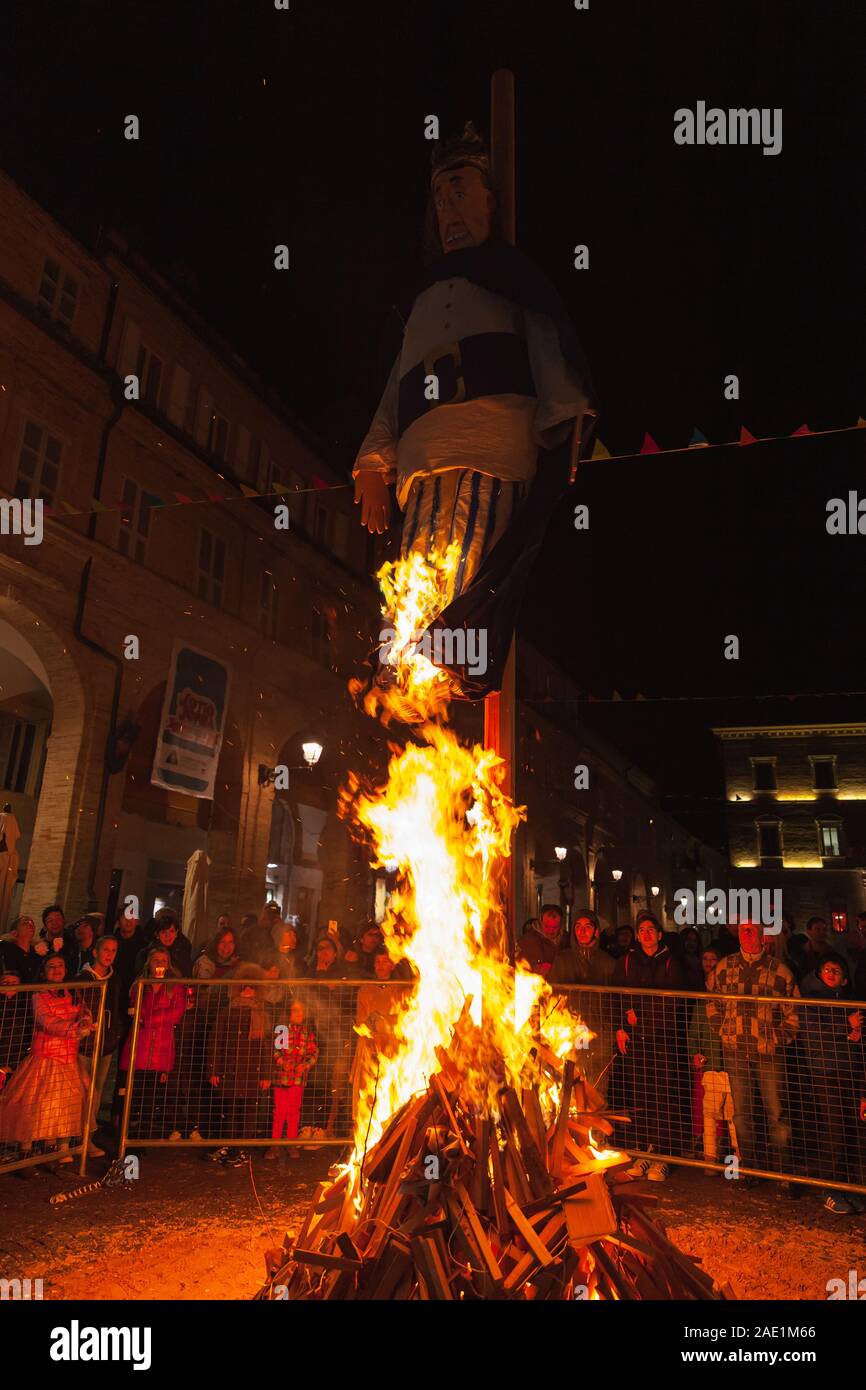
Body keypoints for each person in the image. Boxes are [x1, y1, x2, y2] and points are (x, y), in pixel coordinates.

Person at [352, 122, 597, 698]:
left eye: (461, 191)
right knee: (410, 615)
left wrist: (561, 432)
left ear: (491, 199)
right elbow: (396, 388)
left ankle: (440, 695)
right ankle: (404, 703)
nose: (449, 210)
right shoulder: (420, 299)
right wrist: (370, 462)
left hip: (489, 462)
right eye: (440, 198)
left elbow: (553, 354)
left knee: (458, 608)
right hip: (419, 475)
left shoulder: (515, 283)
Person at [705, 921, 800, 1192]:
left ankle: (785, 1174)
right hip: (735, 1050)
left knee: (777, 1112)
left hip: (769, 1054)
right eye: (743, 930)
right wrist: (722, 1030)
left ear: (761, 936)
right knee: (742, 1114)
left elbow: (794, 1011)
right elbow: (711, 1000)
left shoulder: (779, 971)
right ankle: (750, 1170)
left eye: (752, 930)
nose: (747, 934)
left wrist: (777, 1038)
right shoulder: (724, 967)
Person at [0, 954, 93, 1173]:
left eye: (60, 965)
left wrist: (86, 1021)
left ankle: (50, 1150)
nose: (57, 970)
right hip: (46, 1057)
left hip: (68, 1058)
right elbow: (45, 1019)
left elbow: (84, 1011)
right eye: (52, 966)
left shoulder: (72, 991)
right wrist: (73, 1030)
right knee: (35, 1106)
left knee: (60, 1106)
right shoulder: (40, 993)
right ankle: (25, 1151)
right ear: (44, 971)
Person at [613, 912, 686, 1182]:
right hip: (636, 1040)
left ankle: (663, 1155)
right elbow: (617, 994)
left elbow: (673, 1001)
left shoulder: (671, 963)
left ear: (659, 934)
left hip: (662, 1039)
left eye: (650, 929)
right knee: (641, 1096)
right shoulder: (628, 962)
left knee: (663, 1096)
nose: (645, 934)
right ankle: (645, 1150)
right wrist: (620, 1026)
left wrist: (640, 1015)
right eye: (641, 929)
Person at [799, 952, 865, 1213]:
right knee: (834, 1130)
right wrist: (845, 1026)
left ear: (844, 979)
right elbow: (814, 1032)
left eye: (836, 971)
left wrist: (853, 1034)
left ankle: (852, 1188)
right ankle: (829, 1187)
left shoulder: (849, 1002)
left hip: (848, 1070)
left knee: (852, 1131)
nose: (831, 974)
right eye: (827, 969)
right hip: (825, 1072)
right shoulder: (812, 1000)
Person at [115, 948, 189, 1140]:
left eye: (163, 960)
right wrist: (154, 1017)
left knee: (151, 1095)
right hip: (139, 1045)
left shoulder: (175, 986)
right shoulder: (139, 985)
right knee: (134, 1093)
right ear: (149, 962)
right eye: (156, 959)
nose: (160, 963)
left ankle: (143, 1136)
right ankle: (128, 1135)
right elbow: (135, 1010)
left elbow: (176, 1013)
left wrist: (149, 1020)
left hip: (161, 1046)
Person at [206, 964, 272, 1167]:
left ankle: (243, 1148)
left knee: (249, 1112)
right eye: (244, 986)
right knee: (230, 1109)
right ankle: (228, 1144)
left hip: (253, 1072)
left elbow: (269, 1047)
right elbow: (216, 1041)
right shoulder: (227, 1013)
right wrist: (214, 1069)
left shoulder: (264, 1016)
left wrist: (267, 1074)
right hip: (231, 1070)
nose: (248, 990)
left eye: (252, 987)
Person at [549, 909, 616, 1098]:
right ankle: (570, 1125)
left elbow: (615, 1001)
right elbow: (553, 996)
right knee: (571, 1079)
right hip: (573, 1029)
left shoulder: (608, 962)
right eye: (578, 926)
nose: (582, 931)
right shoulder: (563, 959)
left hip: (600, 1030)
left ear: (596, 931)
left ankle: (594, 1126)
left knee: (596, 1084)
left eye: (587, 926)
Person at [687, 947, 738, 1174]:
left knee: (734, 1116)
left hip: (733, 1067)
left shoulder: (734, 1005)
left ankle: (737, 1157)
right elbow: (694, 1033)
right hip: (711, 1067)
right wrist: (695, 1053)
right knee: (710, 1113)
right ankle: (710, 1157)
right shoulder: (701, 1006)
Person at [74, 935, 123, 1156]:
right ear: (95, 952)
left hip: (106, 1043)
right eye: (106, 949)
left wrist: (115, 1033)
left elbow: (118, 1008)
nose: (109, 954)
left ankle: (88, 1138)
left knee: (97, 1091)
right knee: (83, 1091)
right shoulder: (83, 978)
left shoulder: (115, 980)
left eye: (113, 951)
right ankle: (73, 1137)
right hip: (85, 1043)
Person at [266, 999, 319, 1160]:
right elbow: (275, 1050)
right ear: (288, 1013)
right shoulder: (282, 1030)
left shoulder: (307, 1032)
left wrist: (305, 1065)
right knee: (279, 1111)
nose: (296, 1014)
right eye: (293, 1010)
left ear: (304, 1014)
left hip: (297, 1079)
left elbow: (314, 1053)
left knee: (293, 1112)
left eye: (300, 1011)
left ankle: (290, 1143)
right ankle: (274, 1145)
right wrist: (283, 1062)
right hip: (282, 1078)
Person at [0, 969, 31, 1092]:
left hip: (15, 1062)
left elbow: (26, 1038)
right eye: (5, 982)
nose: (10, 986)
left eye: (14, 983)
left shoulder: (24, 1007)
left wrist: (11, 1066)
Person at [517, 904, 564, 978]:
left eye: (555, 927)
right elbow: (517, 967)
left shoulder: (568, 941)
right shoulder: (526, 941)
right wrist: (533, 968)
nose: (551, 931)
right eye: (547, 926)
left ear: (561, 925)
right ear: (540, 922)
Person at [0, 915, 43, 983]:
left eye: (32, 922)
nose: (30, 924)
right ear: (14, 932)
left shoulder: (37, 953)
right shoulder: (6, 950)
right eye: (25, 923)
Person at [112, 908, 144, 997]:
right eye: (125, 917)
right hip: (113, 988)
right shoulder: (111, 942)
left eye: (132, 917)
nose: (128, 921)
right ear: (119, 920)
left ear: (137, 921)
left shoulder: (144, 944)